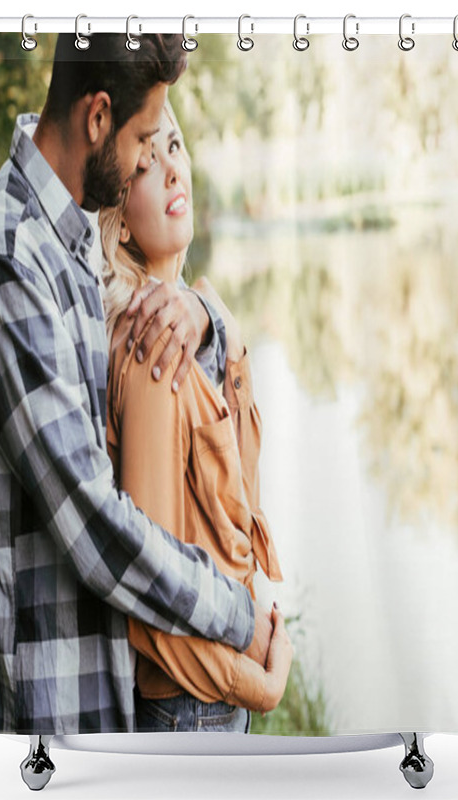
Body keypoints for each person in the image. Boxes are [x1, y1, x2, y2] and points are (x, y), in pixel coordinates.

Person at [0, 33, 273, 736]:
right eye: (142, 142)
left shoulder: (65, 237)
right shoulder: (10, 260)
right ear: (98, 118)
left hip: (117, 686)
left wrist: (205, 312)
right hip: (60, 708)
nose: (141, 170)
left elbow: (138, 294)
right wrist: (240, 618)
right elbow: (94, 521)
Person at [100, 102, 294, 733]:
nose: (173, 172)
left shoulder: (198, 320)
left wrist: (213, 313)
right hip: (191, 702)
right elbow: (152, 589)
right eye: (145, 165)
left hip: (218, 686)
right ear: (120, 221)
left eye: (176, 147)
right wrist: (255, 682)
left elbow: (242, 511)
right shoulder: (154, 348)